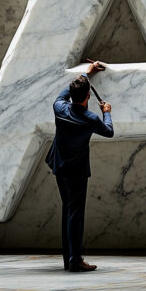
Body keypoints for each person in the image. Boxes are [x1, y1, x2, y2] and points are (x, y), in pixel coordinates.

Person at [45, 61, 114, 272]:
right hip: (76, 172)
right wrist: (107, 112)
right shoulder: (90, 118)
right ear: (88, 97)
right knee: (75, 215)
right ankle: (75, 261)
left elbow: (64, 94)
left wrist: (86, 74)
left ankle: (69, 259)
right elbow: (109, 131)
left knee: (68, 211)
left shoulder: (60, 108)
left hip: (60, 167)